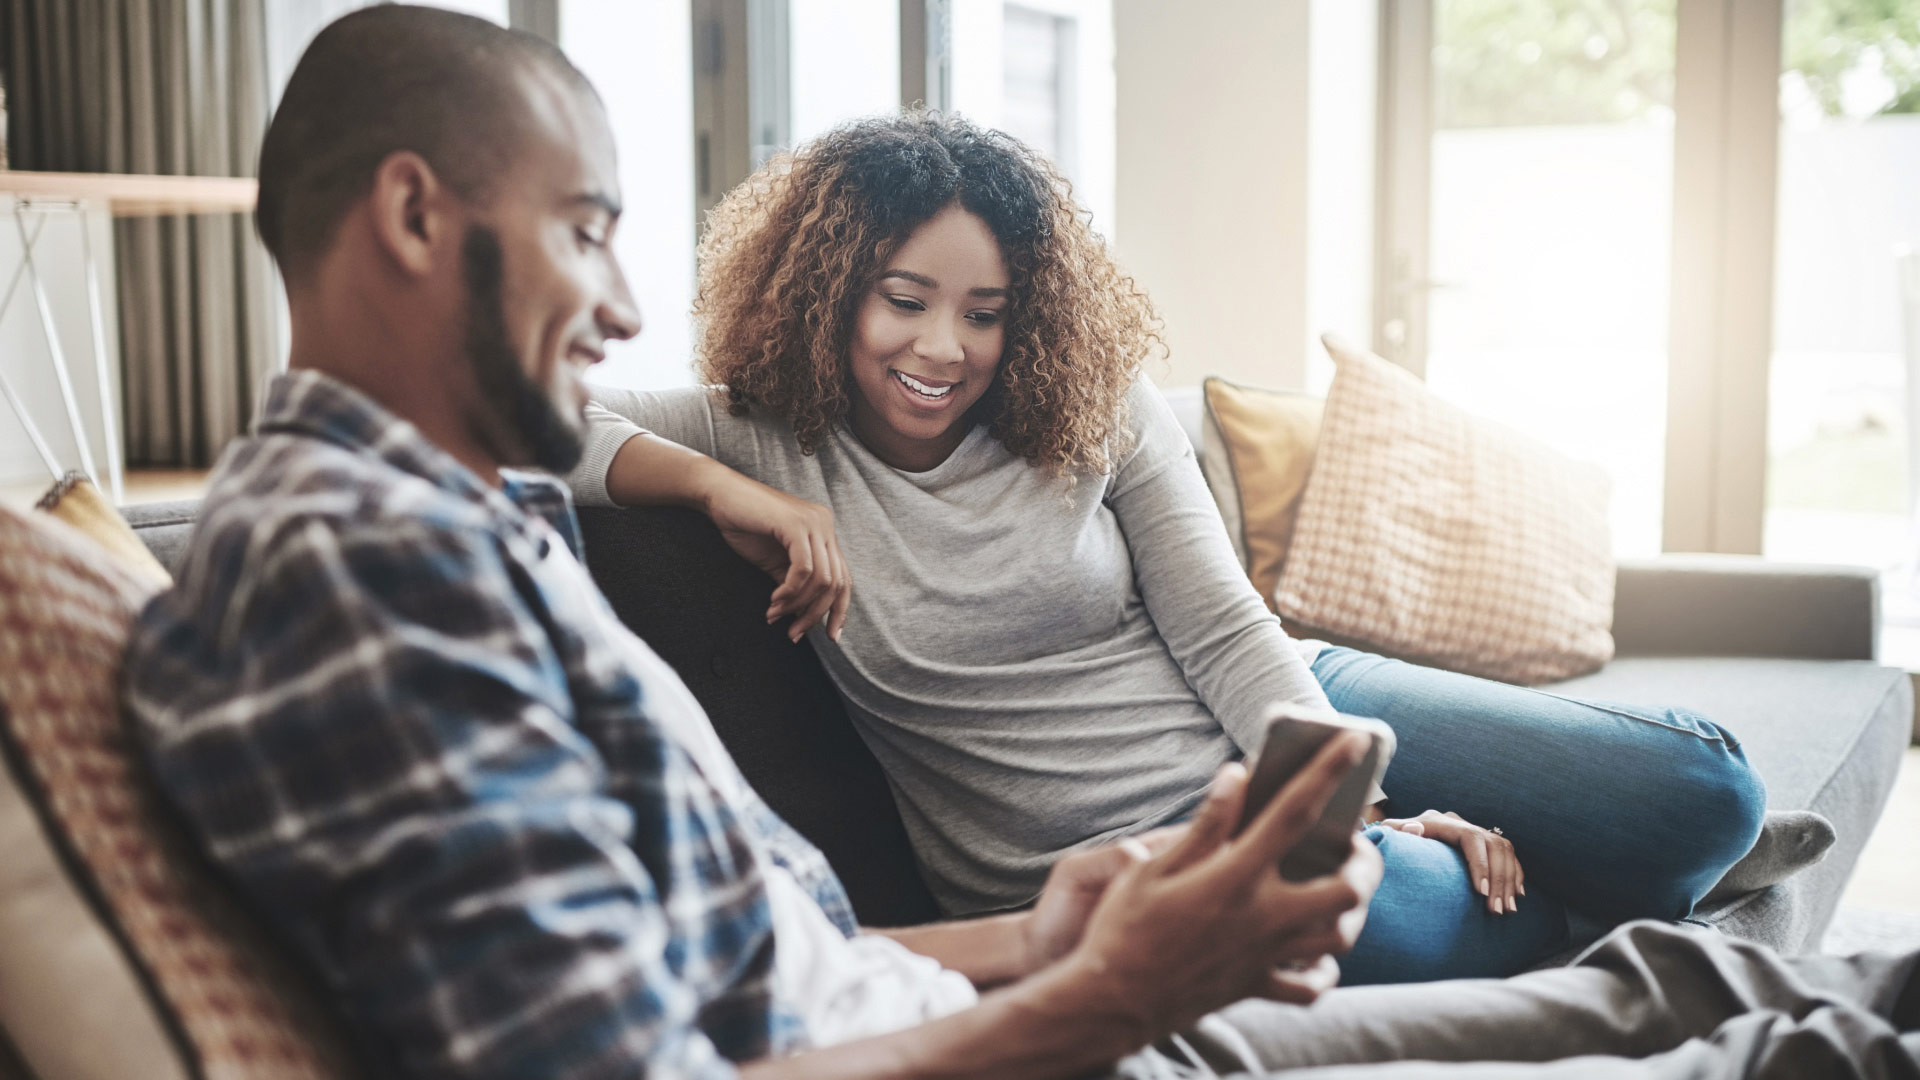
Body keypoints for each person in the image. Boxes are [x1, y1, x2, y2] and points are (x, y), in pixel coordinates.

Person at [123, 8, 1920, 1080]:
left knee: (1697, 930)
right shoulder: (346, 582)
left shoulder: (463, 528)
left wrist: (1037, 932)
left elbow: (750, 950)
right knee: (1733, 1014)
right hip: (1037, 1026)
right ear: (417, 214)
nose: (610, 302)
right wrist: (1102, 979)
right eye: (587, 231)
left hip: (1046, 922)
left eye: (982, 313)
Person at [570, 111, 1769, 984]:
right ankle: (1502, 874)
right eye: (904, 297)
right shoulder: (762, 429)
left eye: (987, 313)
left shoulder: (1092, 407)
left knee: (1706, 794)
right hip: (1095, 866)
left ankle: (1462, 845)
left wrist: (1349, 800)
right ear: (827, 286)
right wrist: (725, 490)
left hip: (1283, 710)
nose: (944, 348)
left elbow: (1222, 625)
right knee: (1396, 906)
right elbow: (533, 420)